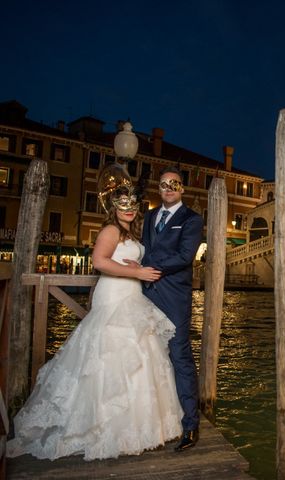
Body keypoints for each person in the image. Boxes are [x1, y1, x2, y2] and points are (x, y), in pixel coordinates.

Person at [7, 174, 183, 460]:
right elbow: (99, 262)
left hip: (133, 296)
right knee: (109, 355)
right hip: (114, 296)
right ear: (112, 206)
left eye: (133, 203)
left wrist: (141, 270)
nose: (128, 208)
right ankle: (101, 425)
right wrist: (137, 272)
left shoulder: (133, 234)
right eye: (122, 203)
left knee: (140, 354)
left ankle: (139, 426)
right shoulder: (111, 231)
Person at [138, 166, 203, 451]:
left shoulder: (191, 219)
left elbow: (185, 256)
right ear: (159, 188)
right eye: (163, 184)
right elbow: (145, 247)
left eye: (174, 184)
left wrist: (148, 269)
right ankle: (152, 420)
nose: (168, 188)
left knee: (179, 354)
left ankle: (190, 425)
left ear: (182, 189)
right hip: (144, 294)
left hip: (174, 297)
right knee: (146, 353)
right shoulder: (150, 216)